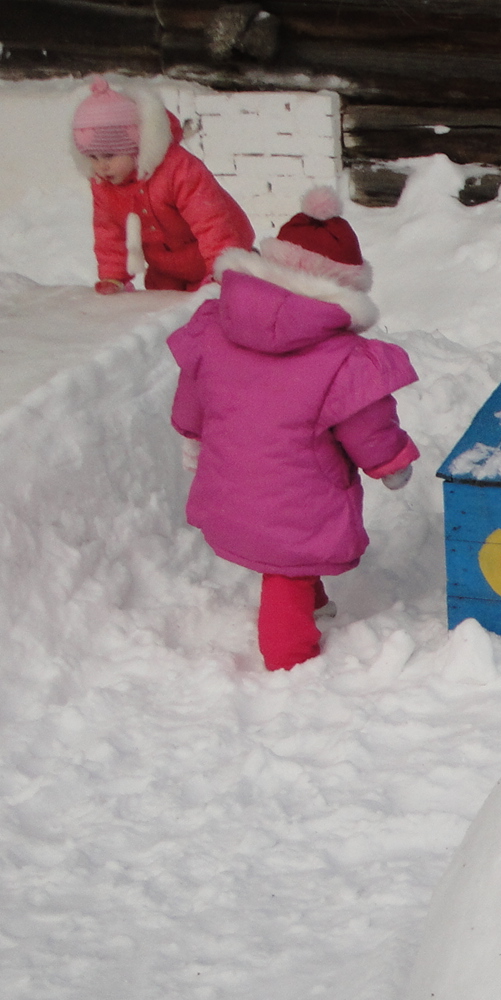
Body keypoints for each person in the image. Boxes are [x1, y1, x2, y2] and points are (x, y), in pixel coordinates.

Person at [167, 188, 419, 671]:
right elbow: (367, 423)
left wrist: (192, 437)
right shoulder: (341, 359)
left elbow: (193, 391)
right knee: (286, 566)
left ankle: (316, 600)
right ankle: (288, 659)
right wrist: (391, 462)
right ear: (344, 287)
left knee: (291, 555)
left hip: (232, 478)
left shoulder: (217, 329)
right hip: (299, 487)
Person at [70, 75, 253, 295]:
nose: (101, 167)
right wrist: (112, 275)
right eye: (92, 157)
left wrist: (222, 269)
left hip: (214, 255)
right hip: (165, 266)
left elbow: (211, 222)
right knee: (161, 307)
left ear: (136, 145)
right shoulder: (103, 184)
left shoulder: (178, 169)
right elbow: (108, 230)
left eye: (109, 155)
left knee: (205, 309)